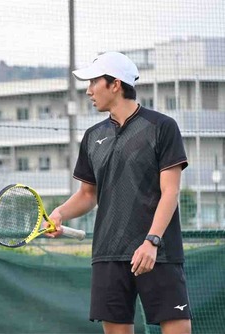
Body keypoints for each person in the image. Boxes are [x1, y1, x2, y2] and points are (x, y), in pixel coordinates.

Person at [46, 52, 192, 334]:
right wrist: (60, 213)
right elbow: (88, 194)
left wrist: (152, 241)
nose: (88, 91)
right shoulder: (92, 136)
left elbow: (170, 191)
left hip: (158, 252)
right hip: (108, 253)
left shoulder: (162, 127)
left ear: (115, 84)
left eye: (93, 82)